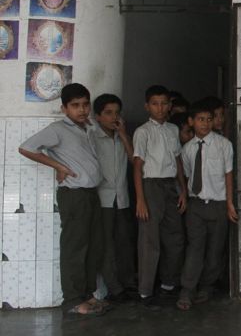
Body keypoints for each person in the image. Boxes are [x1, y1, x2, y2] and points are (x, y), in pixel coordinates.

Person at [19, 83, 104, 317]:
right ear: (64, 108)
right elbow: (26, 148)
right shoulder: (58, 129)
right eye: (75, 106)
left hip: (90, 193)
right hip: (73, 194)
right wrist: (57, 166)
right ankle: (73, 300)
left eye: (85, 104)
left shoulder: (88, 127)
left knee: (93, 246)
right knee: (75, 248)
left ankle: (87, 294)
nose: (82, 110)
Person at [176, 101, 238, 311]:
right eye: (201, 119)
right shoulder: (187, 148)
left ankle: (206, 286)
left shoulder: (223, 145)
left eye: (209, 119)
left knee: (214, 250)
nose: (205, 123)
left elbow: (229, 175)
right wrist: (184, 194)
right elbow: (184, 176)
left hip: (218, 204)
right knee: (195, 248)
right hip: (195, 205)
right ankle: (187, 289)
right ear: (191, 122)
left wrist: (229, 203)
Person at [133, 85, 188, 310]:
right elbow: (137, 166)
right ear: (147, 106)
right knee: (150, 239)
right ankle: (145, 291)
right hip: (150, 186)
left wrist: (182, 189)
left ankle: (168, 284)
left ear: (170, 106)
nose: (160, 108)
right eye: (155, 103)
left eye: (164, 103)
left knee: (174, 236)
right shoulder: (142, 132)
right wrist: (140, 199)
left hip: (170, 186)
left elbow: (178, 162)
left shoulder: (174, 129)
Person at [91, 94, 136, 302]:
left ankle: (128, 284)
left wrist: (124, 134)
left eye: (117, 113)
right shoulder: (92, 136)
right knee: (106, 246)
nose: (113, 117)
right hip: (103, 199)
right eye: (108, 113)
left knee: (124, 243)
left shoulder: (121, 136)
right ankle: (115, 289)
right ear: (97, 116)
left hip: (122, 198)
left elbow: (134, 160)